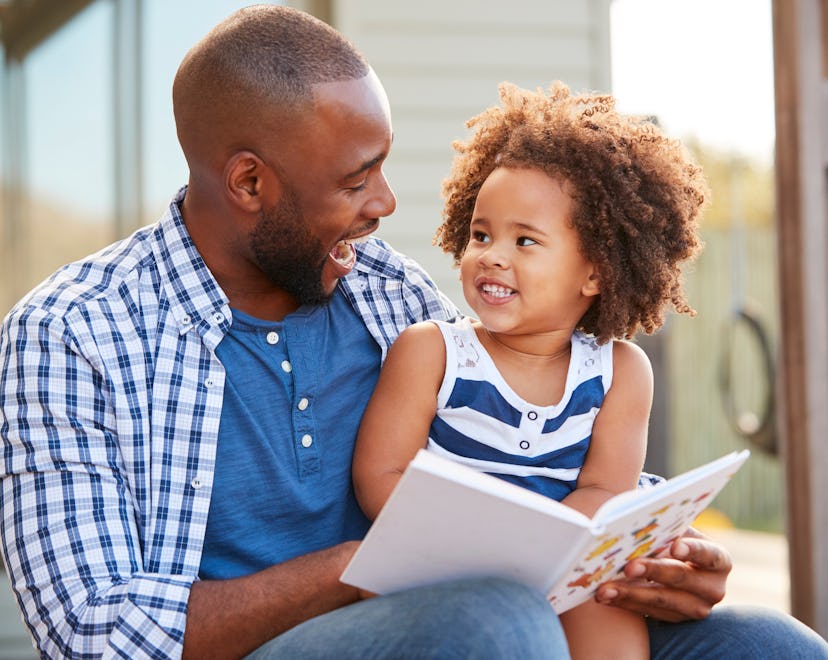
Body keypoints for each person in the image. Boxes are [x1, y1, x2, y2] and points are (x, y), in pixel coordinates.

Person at [0, 5, 825, 659]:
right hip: (314, 642)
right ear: (250, 182)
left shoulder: (389, 292)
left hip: (477, 618)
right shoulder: (74, 334)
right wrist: (365, 571)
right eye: (357, 179)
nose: (387, 204)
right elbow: (93, 635)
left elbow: (533, 450)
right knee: (496, 626)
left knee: (771, 645)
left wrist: (647, 552)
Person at [352, 80, 709, 660]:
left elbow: (603, 490)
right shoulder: (432, 352)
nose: (493, 254)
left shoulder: (620, 372)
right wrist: (483, 545)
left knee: (606, 608)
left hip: (560, 561)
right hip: (442, 564)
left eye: (525, 241)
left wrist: (538, 547)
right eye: (481, 234)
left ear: (593, 273)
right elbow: (381, 476)